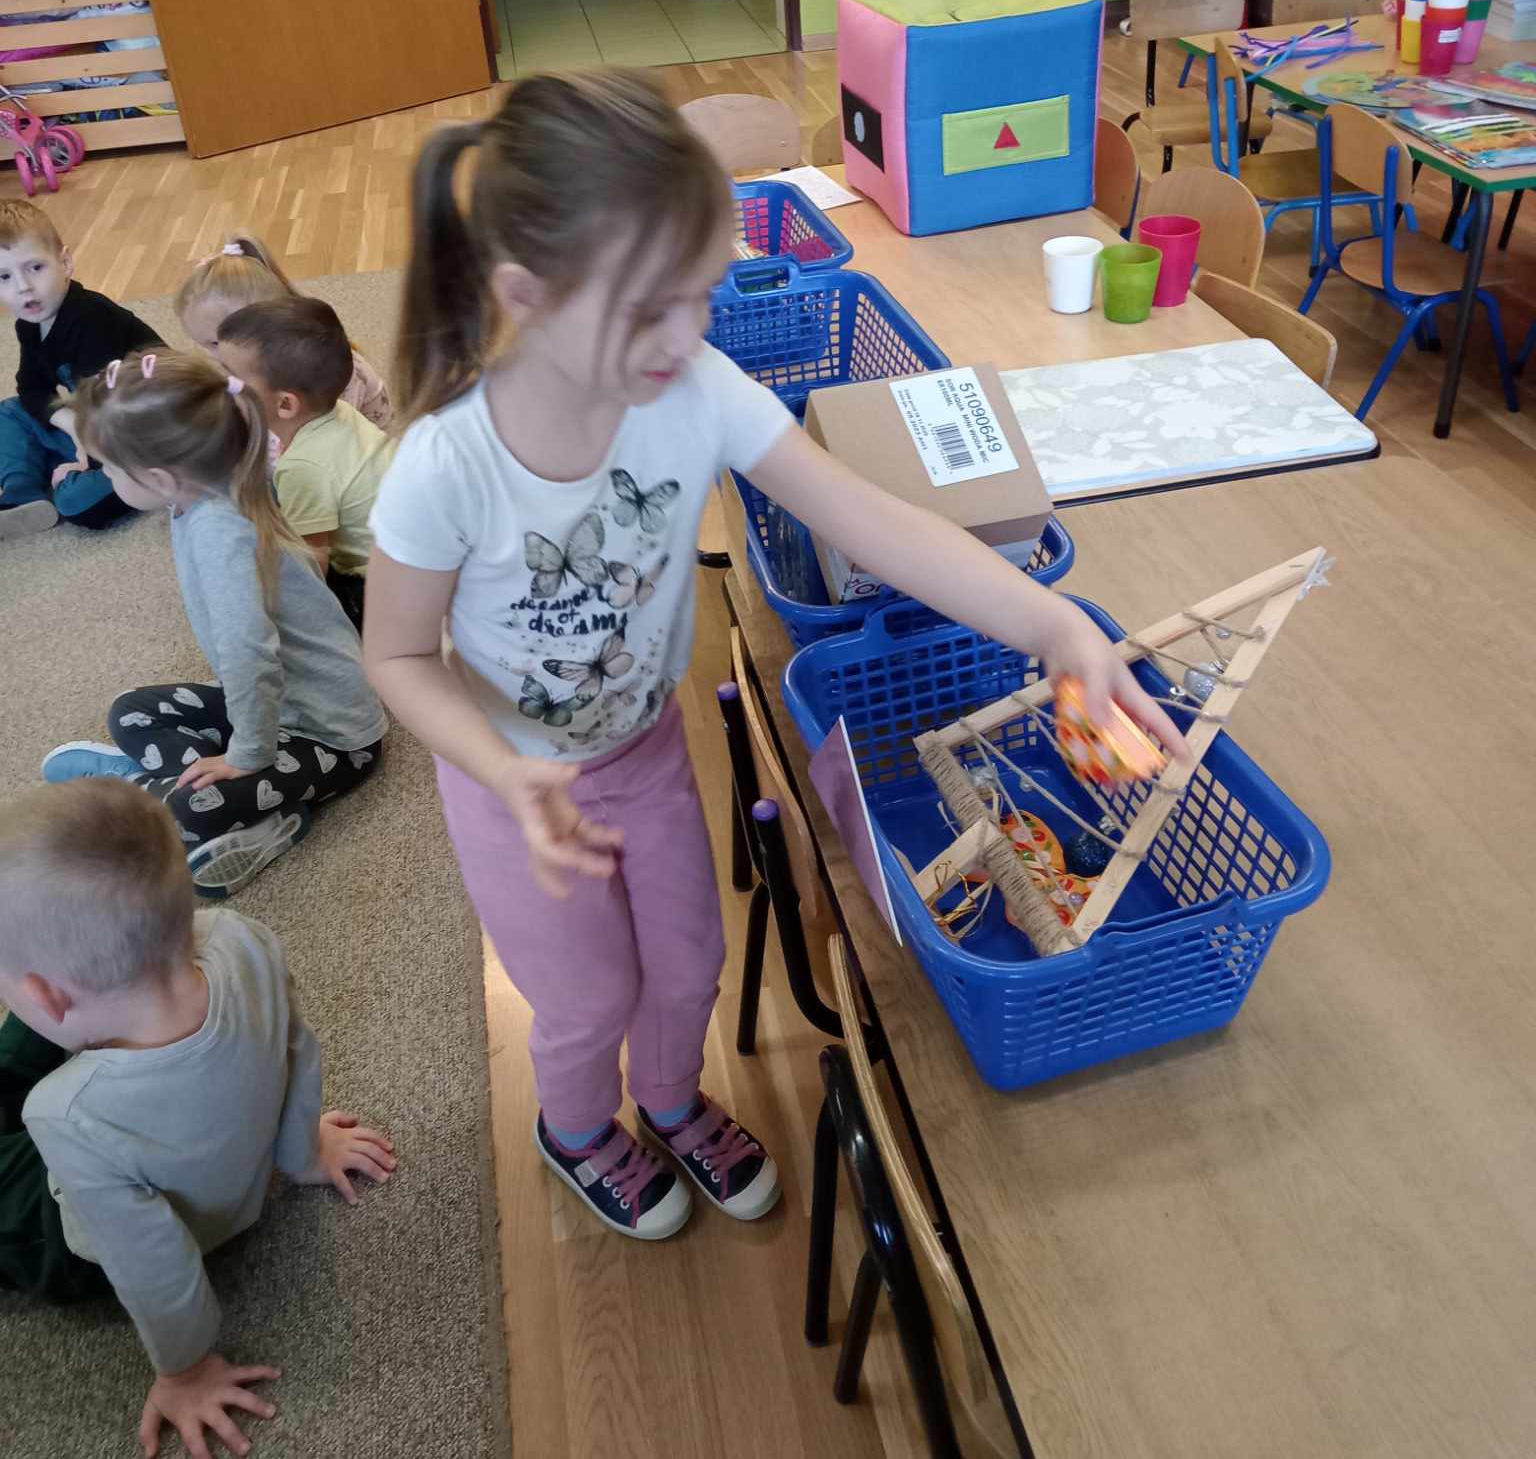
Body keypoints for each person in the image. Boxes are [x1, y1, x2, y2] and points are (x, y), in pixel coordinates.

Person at [364, 71, 1182, 1244]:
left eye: (701, 293)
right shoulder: (447, 463)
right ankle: (577, 1127)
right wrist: (504, 769)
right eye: (652, 308)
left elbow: (866, 517)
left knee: (690, 960)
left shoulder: (691, 384)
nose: (690, 333)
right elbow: (397, 654)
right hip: (513, 792)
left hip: (642, 754)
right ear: (526, 294)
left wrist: (1055, 626)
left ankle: (670, 1097)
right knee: (586, 994)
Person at [0, 780, 395, 1459]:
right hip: (148, 1125)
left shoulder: (62, 1112)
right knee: (34, 1029)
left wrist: (184, 1368)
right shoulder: (242, 938)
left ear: (46, 996)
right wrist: (303, 1149)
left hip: (58, 1239)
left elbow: (148, 1261)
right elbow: (298, 1047)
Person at [41, 348, 388, 896]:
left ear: (159, 477)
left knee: (190, 810)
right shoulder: (210, 488)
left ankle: (158, 793)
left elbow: (250, 656)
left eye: (108, 468)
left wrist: (246, 756)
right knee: (129, 711)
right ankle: (161, 784)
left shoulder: (221, 534)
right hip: (274, 705)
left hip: (338, 739)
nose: (104, 476)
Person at [214, 296, 389, 632]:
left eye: (233, 380)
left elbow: (313, 563)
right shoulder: (340, 411)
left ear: (285, 404)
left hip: (386, 585)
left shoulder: (301, 467)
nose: (223, 387)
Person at [0, 199, 161, 541]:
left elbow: (112, 409)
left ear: (65, 262)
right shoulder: (29, 323)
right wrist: (74, 428)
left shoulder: (91, 318)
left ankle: (59, 475)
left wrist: (87, 458)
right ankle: (21, 492)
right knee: (9, 413)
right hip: (95, 422)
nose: (23, 287)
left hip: (145, 432)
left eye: (35, 268)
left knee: (75, 502)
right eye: (5, 277)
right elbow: (30, 389)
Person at [175, 235, 391, 431]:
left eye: (214, 344)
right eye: (201, 344)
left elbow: (330, 438)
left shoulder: (324, 379)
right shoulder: (250, 360)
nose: (210, 355)